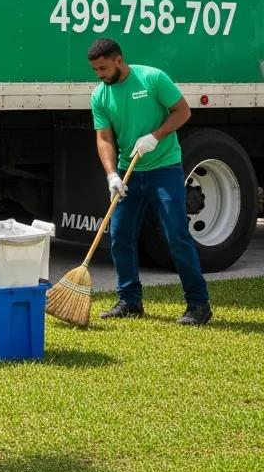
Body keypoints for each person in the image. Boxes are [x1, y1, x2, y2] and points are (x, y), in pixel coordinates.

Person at [87, 37, 211, 325]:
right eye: (95, 70)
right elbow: (104, 138)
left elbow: (183, 111)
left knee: (176, 236)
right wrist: (112, 175)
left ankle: (198, 304)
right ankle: (129, 301)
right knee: (120, 237)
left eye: (103, 68)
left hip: (164, 168)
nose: (99, 75)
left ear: (118, 60)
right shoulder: (100, 95)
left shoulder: (152, 78)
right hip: (128, 173)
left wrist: (155, 137)